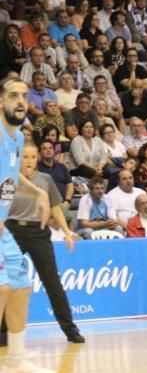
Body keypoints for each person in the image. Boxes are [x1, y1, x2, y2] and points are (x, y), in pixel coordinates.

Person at [0, 77, 56, 373]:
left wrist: (38, 192)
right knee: (2, 287)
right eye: (12, 96)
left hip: (2, 225)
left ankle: (17, 360)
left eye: (24, 95)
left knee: (20, 286)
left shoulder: (19, 137)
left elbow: (10, 177)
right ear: (1, 102)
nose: (20, 101)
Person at [5, 143, 83, 344]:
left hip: (38, 232)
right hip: (13, 230)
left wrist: (66, 232)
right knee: (6, 282)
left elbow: (55, 207)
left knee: (52, 283)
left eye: (32, 157)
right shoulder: (9, 179)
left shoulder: (45, 179)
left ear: (37, 158)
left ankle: (70, 330)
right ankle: (4, 332)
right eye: (25, 157)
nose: (29, 160)